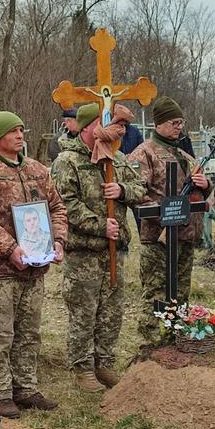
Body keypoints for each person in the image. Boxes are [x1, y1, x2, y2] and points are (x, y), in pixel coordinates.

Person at [0, 112, 67, 418]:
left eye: (22, 129)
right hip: (1, 270)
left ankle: (26, 387)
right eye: (13, 131)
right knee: (0, 332)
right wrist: (10, 248)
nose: (21, 135)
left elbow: (57, 207)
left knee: (29, 330)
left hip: (35, 268)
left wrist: (59, 241)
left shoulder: (37, 169)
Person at [52, 103, 146, 392]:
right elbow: (65, 204)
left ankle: (104, 362)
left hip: (114, 252)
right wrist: (99, 225)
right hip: (85, 253)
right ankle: (82, 368)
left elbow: (141, 188)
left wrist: (122, 191)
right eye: (104, 123)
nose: (113, 129)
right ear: (88, 127)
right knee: (84, 311)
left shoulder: (116, 157)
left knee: (111, 311)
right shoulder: (68, 161)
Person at [127, 97, 210, 355]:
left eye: (181, 123)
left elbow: (201, 198)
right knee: (155, 293)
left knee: (181, 293)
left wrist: (206, 185)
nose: (179, 127)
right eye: (174, 122)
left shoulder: (186, 155)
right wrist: (165, 215)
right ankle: (149, 348)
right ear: (159, 123)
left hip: (185, 236)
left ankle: (178, 342)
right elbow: (136, 193)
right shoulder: (143, 153)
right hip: (157, 237)